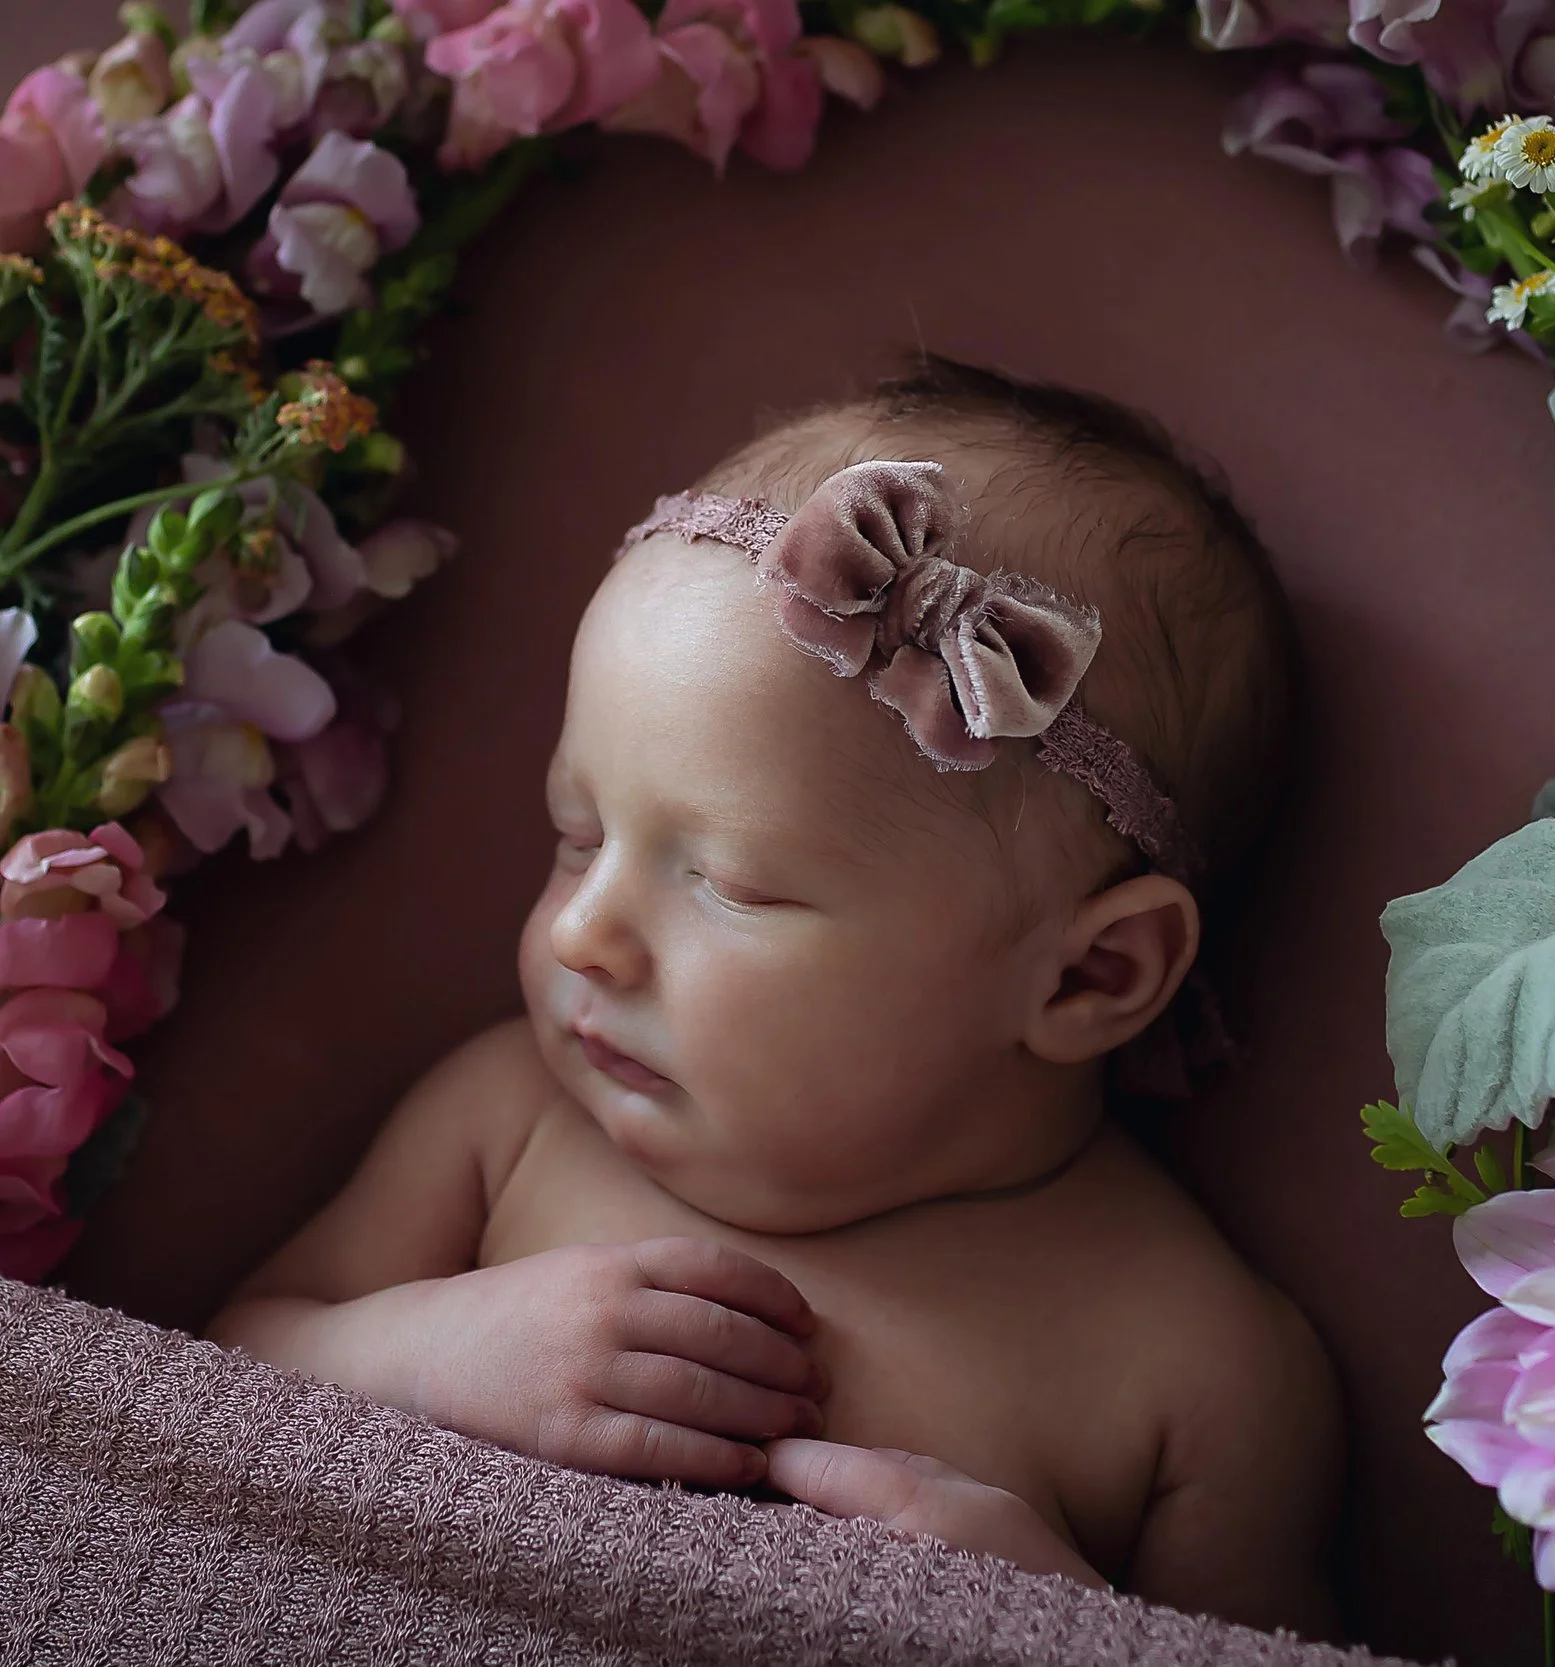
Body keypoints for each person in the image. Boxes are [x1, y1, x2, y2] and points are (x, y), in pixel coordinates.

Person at [208, 358, 1340, 1634]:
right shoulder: (507, 1120)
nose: (582, 932)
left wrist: (1068, 1621)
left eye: (730, 884)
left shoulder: (1199, 1364)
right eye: (576, 833)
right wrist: (427, 1361)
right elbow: (221, 1363)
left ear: (1091, 973)